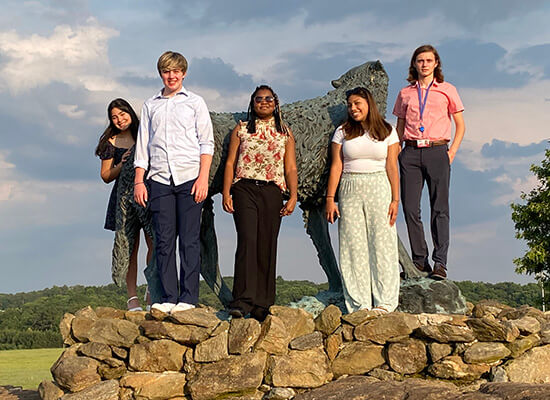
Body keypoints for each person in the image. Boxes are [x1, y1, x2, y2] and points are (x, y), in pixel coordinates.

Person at [134, 51, 214, 314]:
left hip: (190, 177)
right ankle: (169, 296)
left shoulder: (195, 102)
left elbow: (206, 143)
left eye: (176, 71)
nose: (172, 76)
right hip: (158, 179)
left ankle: (188, 298)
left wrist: (203, 178)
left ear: (184, 73)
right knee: (164, 241)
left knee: (189, 241)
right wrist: (139, 181)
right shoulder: (150, 105)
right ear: (161, 74)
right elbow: (143, 146)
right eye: (167, 71)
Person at [222, 85, 298, 321]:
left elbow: (290, 166)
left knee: (267, 243)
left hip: (272, 190)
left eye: (268, 98)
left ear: (275, 102)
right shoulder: (242, 129)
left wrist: (293, 195)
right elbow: (230, 162)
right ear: (252, 103)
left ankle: (262, 304)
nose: (263, 102)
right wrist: (226, 192)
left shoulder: (285, 132)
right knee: (248, 240)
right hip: (245, 187)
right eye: (258, 99)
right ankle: (242, 300)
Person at [393, 44, 465, 280]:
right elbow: (400, 126)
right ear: (414, 64)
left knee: (440, 208)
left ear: (436, 64)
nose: (424, 64)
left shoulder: (447, 90)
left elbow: (460, 125)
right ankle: (419, 261)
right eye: (419, 60)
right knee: (410, 208)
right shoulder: (405, 93)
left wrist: (451, 152)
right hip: (411, 152)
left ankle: (440, 263)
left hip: (437, 150)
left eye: (428, 60)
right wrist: (396, 155)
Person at [325, 87, 400, 314]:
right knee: (352, 244)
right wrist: (331, 198)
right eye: (350, 105)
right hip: (350, 186)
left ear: (369, 103)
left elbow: (392, 166)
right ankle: (359, 303)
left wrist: (395, 199)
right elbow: (336, 166)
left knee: (382, 242)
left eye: (357, 103)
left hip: (379, 185)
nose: (353, 108)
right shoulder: (343, 131)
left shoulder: (388, 131)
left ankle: (385, 302)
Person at [95, 98, 153, 311]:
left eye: (122, 114)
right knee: (129, 247)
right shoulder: (110, 142)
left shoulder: (144, 133)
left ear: (130, 112)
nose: (120, 120)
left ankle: (151, 289)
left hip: (147, 194)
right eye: (114, 117)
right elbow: (106, 175)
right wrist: (123, 163)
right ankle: (132, 297)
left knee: (154, 243)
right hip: (122, 200)